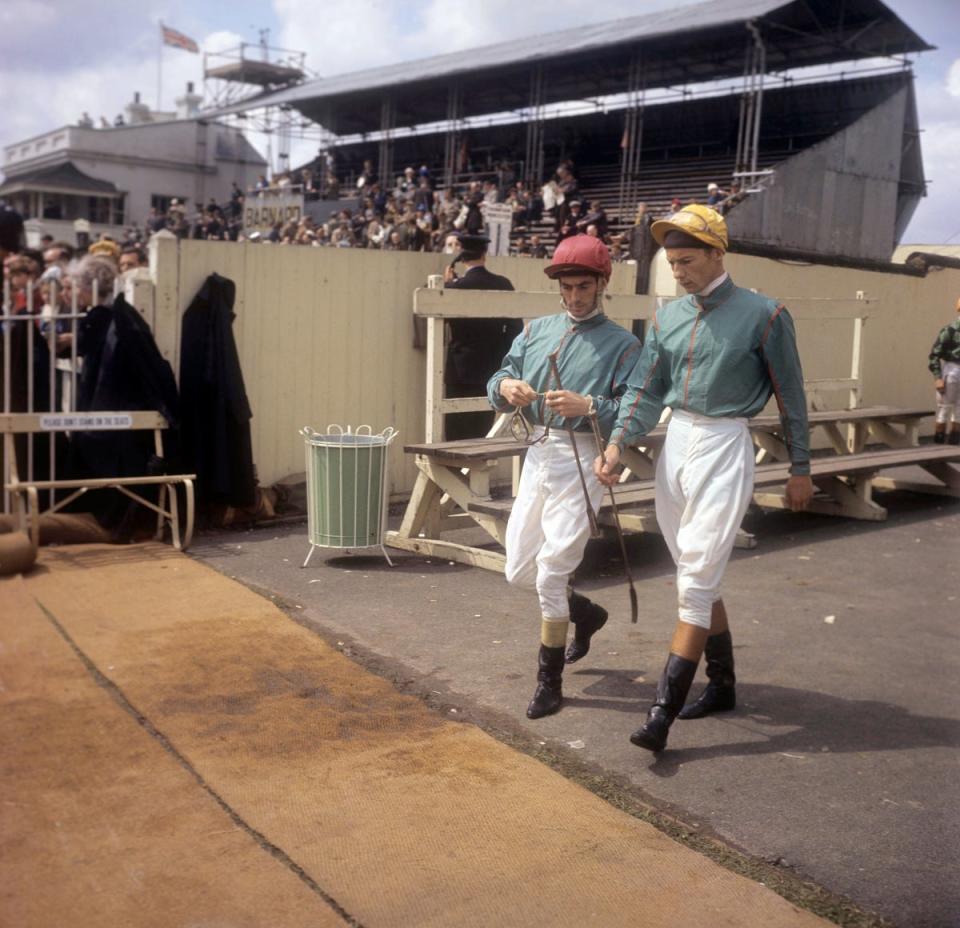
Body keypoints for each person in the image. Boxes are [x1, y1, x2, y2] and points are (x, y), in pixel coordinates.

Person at [595, 204, 814, 753]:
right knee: (695, 571)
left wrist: (800, 469)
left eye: (687, 260)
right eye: (672, 262)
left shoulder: (765, 314)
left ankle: (659, 716)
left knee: (694, 580)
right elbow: (645, 390)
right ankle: (722, 685)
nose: (679, 271)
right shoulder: (667, 317)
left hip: (725, 444)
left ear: (719, 253)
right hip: (677, 444)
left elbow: (791, 399)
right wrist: (619, 443)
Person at [487, 235, 642, 719]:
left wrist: (590, 405)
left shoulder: (623, 344)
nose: (575, 297)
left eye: (584, 287)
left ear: (602, 283)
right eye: (567, 287)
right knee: (518, 571)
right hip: (537, 451)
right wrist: (506, 386)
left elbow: (637, 409)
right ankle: (587, 613)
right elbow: (498, 378)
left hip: (585, 457)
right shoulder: (536, 331)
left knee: (552, 571)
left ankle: (548, 682)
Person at [442, 233, 521, 440]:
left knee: (456, 431)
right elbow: (515, 328)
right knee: (482, 429)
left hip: (461, 367)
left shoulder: (455, 287)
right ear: (484, 254)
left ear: (461, 256)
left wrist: (448, 284)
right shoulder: (503, 284)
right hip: (491, 364)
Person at [929, 297, 960, 444]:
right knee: (944, 408)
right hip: (952, 369)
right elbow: (934, 355)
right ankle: (939, 444)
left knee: (959, 411)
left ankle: (955, 442)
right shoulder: (950, 330)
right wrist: (938, 377)